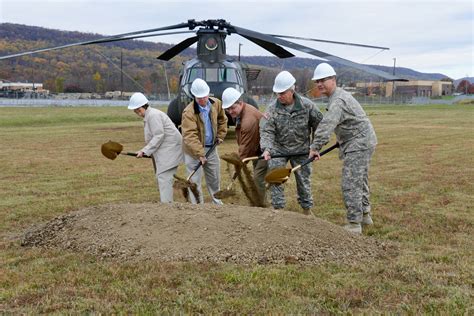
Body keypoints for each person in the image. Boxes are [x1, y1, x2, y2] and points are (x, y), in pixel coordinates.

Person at [308, 63, 377, 234]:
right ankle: (365, 215)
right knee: (360, 179)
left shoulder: (338, 100)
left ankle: (354, 224)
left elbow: (327, 125)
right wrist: (342, 139)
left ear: (333, 79)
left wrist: (315, 147)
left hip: (359, 142)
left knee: (351, 182)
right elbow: (347, 122)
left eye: (323, 80)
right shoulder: (337, 97)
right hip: (361, 140)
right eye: (317, 81)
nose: (319, 84)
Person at [260, 71, 323, 214]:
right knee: (276, 177)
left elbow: (320, 125)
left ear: (292, 90)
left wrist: (316, 146)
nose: (279, 96)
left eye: (282, 93)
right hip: (278, 149)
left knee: (303, 180)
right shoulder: (271, 109)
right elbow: (267, 131)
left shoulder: (308, 106)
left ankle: (307, 210)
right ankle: (278, 210)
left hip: (301, 150)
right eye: (277, 93)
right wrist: (267, 149)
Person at [128, 92, 183, 203]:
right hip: (166, 150)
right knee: (162, 178)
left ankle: (167, 206)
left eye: (137, 110)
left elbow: (159, 135)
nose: (137, 113)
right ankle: (166, 205)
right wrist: (146, 151)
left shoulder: (153, 115)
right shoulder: (150, 115)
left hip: (171, 150)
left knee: (164, 178)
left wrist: (144, 151)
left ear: (141, 107)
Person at [181, 78, 228, 204]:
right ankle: (197, 207)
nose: (202, 100)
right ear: (194, 97)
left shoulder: (216, 103)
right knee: (194, 181)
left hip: (211, 148)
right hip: (193, 151)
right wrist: (200, 154)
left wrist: (220, 135)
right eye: (199, 98)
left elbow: (223, 120)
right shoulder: (188, 112)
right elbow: (190, 135)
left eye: (204, 96)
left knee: (214, 178)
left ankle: (217, 202)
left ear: (208, 93)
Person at [221, 87, 268, 205]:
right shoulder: (242, 112)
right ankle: (260, 201)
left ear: (240, 103)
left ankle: (262, 205)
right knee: (259, 177)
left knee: (258, 178)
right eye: (228, 109)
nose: (230, 111)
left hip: (266, 149)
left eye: (233, 107)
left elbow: (246, 148)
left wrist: (238, 164)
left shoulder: (248, 120)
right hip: (257, 148)